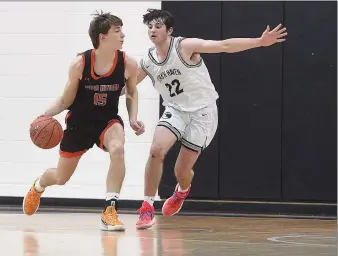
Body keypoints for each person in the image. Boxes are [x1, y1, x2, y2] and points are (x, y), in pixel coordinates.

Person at [122, 9, 287, 229]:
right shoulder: (148, 61)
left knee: (181, 172)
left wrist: (259, 41)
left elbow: (224, 45)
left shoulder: (185, 46)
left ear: (169, 30)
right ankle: (147, 207)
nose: (153, 30)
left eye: (158, 26)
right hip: (175, 110)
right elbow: (128, 88)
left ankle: (181, 192)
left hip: (203, 112)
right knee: (155, 150)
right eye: (150, 26)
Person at [23, 11, 145, 232]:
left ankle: (110, 211)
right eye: (117, 31)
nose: (123, 35)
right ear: (102, 37)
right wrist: (44, 115)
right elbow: (65, 100)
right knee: (60, 178)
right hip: (79, 123)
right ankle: (39, 185)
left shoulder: (128, 63)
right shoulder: (80, 64)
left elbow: (132, 93)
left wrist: (133, 117)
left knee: (118, 148)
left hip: (108, 120)